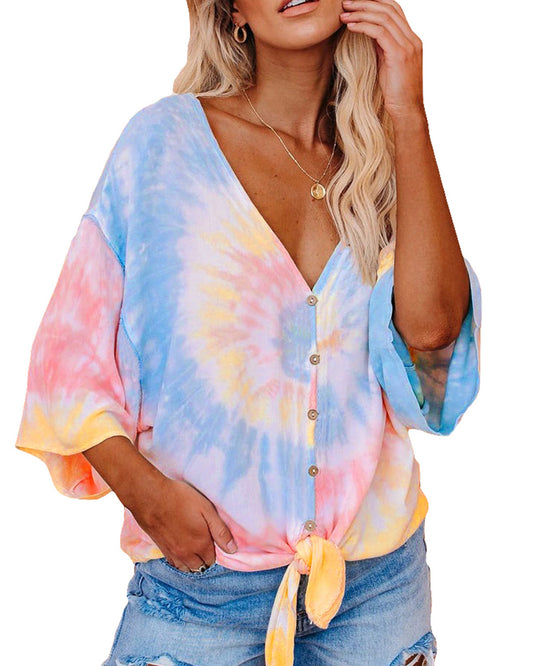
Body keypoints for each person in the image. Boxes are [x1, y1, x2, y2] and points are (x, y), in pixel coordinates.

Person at [14, 0, 482, 664]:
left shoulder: (380, 159)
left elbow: (432, 335)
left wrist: (407, 111)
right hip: (201, 588)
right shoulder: (162, 144)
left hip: (376, 591)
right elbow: (67, 358)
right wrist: (146, 496)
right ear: (233, 8)